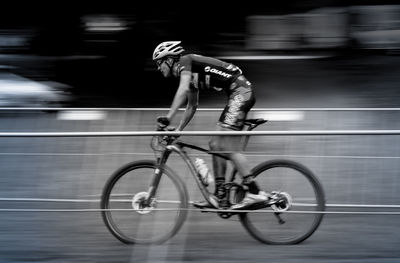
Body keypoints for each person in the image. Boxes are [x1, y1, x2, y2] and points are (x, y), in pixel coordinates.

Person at [153, 41, 268, 209]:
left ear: (170, 60)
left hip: (241, 92)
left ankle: (255, 192)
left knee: (227, 147)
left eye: (159, 63)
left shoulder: (185, 61)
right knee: (215, 144)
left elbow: (183, 90)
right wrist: (179, 129)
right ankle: (220, 195)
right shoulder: (189, 74)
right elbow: (192, 105)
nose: (158, 68)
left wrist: (168, 118)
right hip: (237, 93)